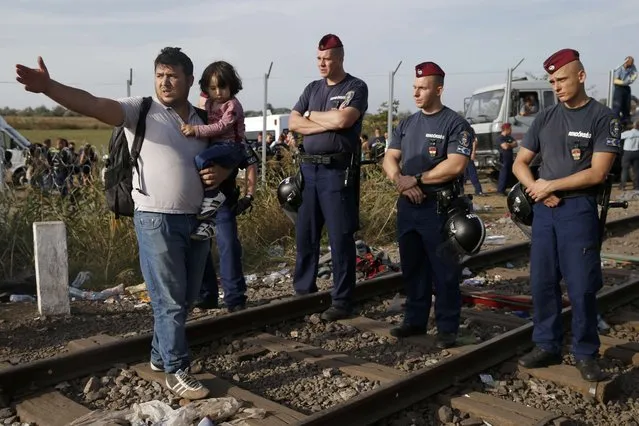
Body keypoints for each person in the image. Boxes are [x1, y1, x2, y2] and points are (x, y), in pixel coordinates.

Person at [15, 47, 219, 399]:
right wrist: (49, 87)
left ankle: (159, 355)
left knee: (186, 299)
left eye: (172, 76)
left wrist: (223, 171)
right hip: (156, 219)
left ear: (188, 79)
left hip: (198, 220)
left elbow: (226, 159)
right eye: (159, 75)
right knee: (170, 300)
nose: (165, 82)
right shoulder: (139, 111)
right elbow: (92, 103)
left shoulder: (204, 120)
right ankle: (176, 369)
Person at [512, 48, 621, 382]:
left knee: (581, 285)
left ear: (581, 77)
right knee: (542, 282)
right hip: (545, 210)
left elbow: (597, 173)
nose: (556, 86)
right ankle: (547, 344)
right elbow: (520, 163)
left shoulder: (604, 118)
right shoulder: (545, 118)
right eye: (552, 81)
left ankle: (586, 353)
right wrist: (537, 189)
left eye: (561, 79)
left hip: (578, 208)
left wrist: (551, 185)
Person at [382, 61, 473, 348]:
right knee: (412, 266)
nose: (416, 93)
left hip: (439, 207)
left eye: (422, 88)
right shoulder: (407, 123)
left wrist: (416, 180)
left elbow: (456, 165)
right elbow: (390, 157)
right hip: (408, 205)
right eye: (414, 87)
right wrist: (400, 180)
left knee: (444, 270)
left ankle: (447, 327)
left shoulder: (455, 124)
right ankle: (415, 320)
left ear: (439, 89)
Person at [288, 33, 368, 321]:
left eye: (327, 58)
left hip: (337, 172)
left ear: (340, 58)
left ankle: (343, 300)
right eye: (319, 58)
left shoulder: (355, 86)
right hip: (309, 170)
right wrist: (324, 119)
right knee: (305, 234)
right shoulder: (312, 88)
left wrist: (312, 116)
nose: (322, 63)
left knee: (340, 236)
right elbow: (293, 122)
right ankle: (304, 293)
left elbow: (344, 120)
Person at [181, 61, 246, 241]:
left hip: (231, 147)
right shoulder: (209, 103)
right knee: (200, 173)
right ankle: (208, 222)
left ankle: (214, 194)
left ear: (232, 85)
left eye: (223, 87)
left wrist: (196, 130)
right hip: (218, 147)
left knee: (201, 159)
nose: (218, 92)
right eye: (213, 88)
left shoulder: (232, 105)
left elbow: (220, 127)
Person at [612, 56, 637, 128]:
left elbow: (635, 74)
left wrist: (631, 79)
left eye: (632, 64)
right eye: (630, 63)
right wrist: (623, 82)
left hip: (626, 88)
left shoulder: (632, 67)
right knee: (617, 105)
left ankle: (625, 121)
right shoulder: (619, 68)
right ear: (626, 62)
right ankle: (615, 122)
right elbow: (615, 80)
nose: (631, 65)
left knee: (626, 106)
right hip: (619, 87)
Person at [496, 123, 518, 195]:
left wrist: (509, 144)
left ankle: (505, 189)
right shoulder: (500, 138)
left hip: (509, 158)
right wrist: (510, 144)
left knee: (509, 174)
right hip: (503, 159)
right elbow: (505, 147)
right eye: (510, 129)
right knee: (503, 174)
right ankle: (500, 190)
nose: (511, 130)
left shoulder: (509, 137)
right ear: (506, 129)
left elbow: (516, 144)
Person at [620, 120, 639, 191]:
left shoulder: (628, 133)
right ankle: (637, 186)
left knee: (625, 169)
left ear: (634, 125)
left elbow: (619, 137)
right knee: (636, 170)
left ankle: (622, 186)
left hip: (627, 153)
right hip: (637, 152)